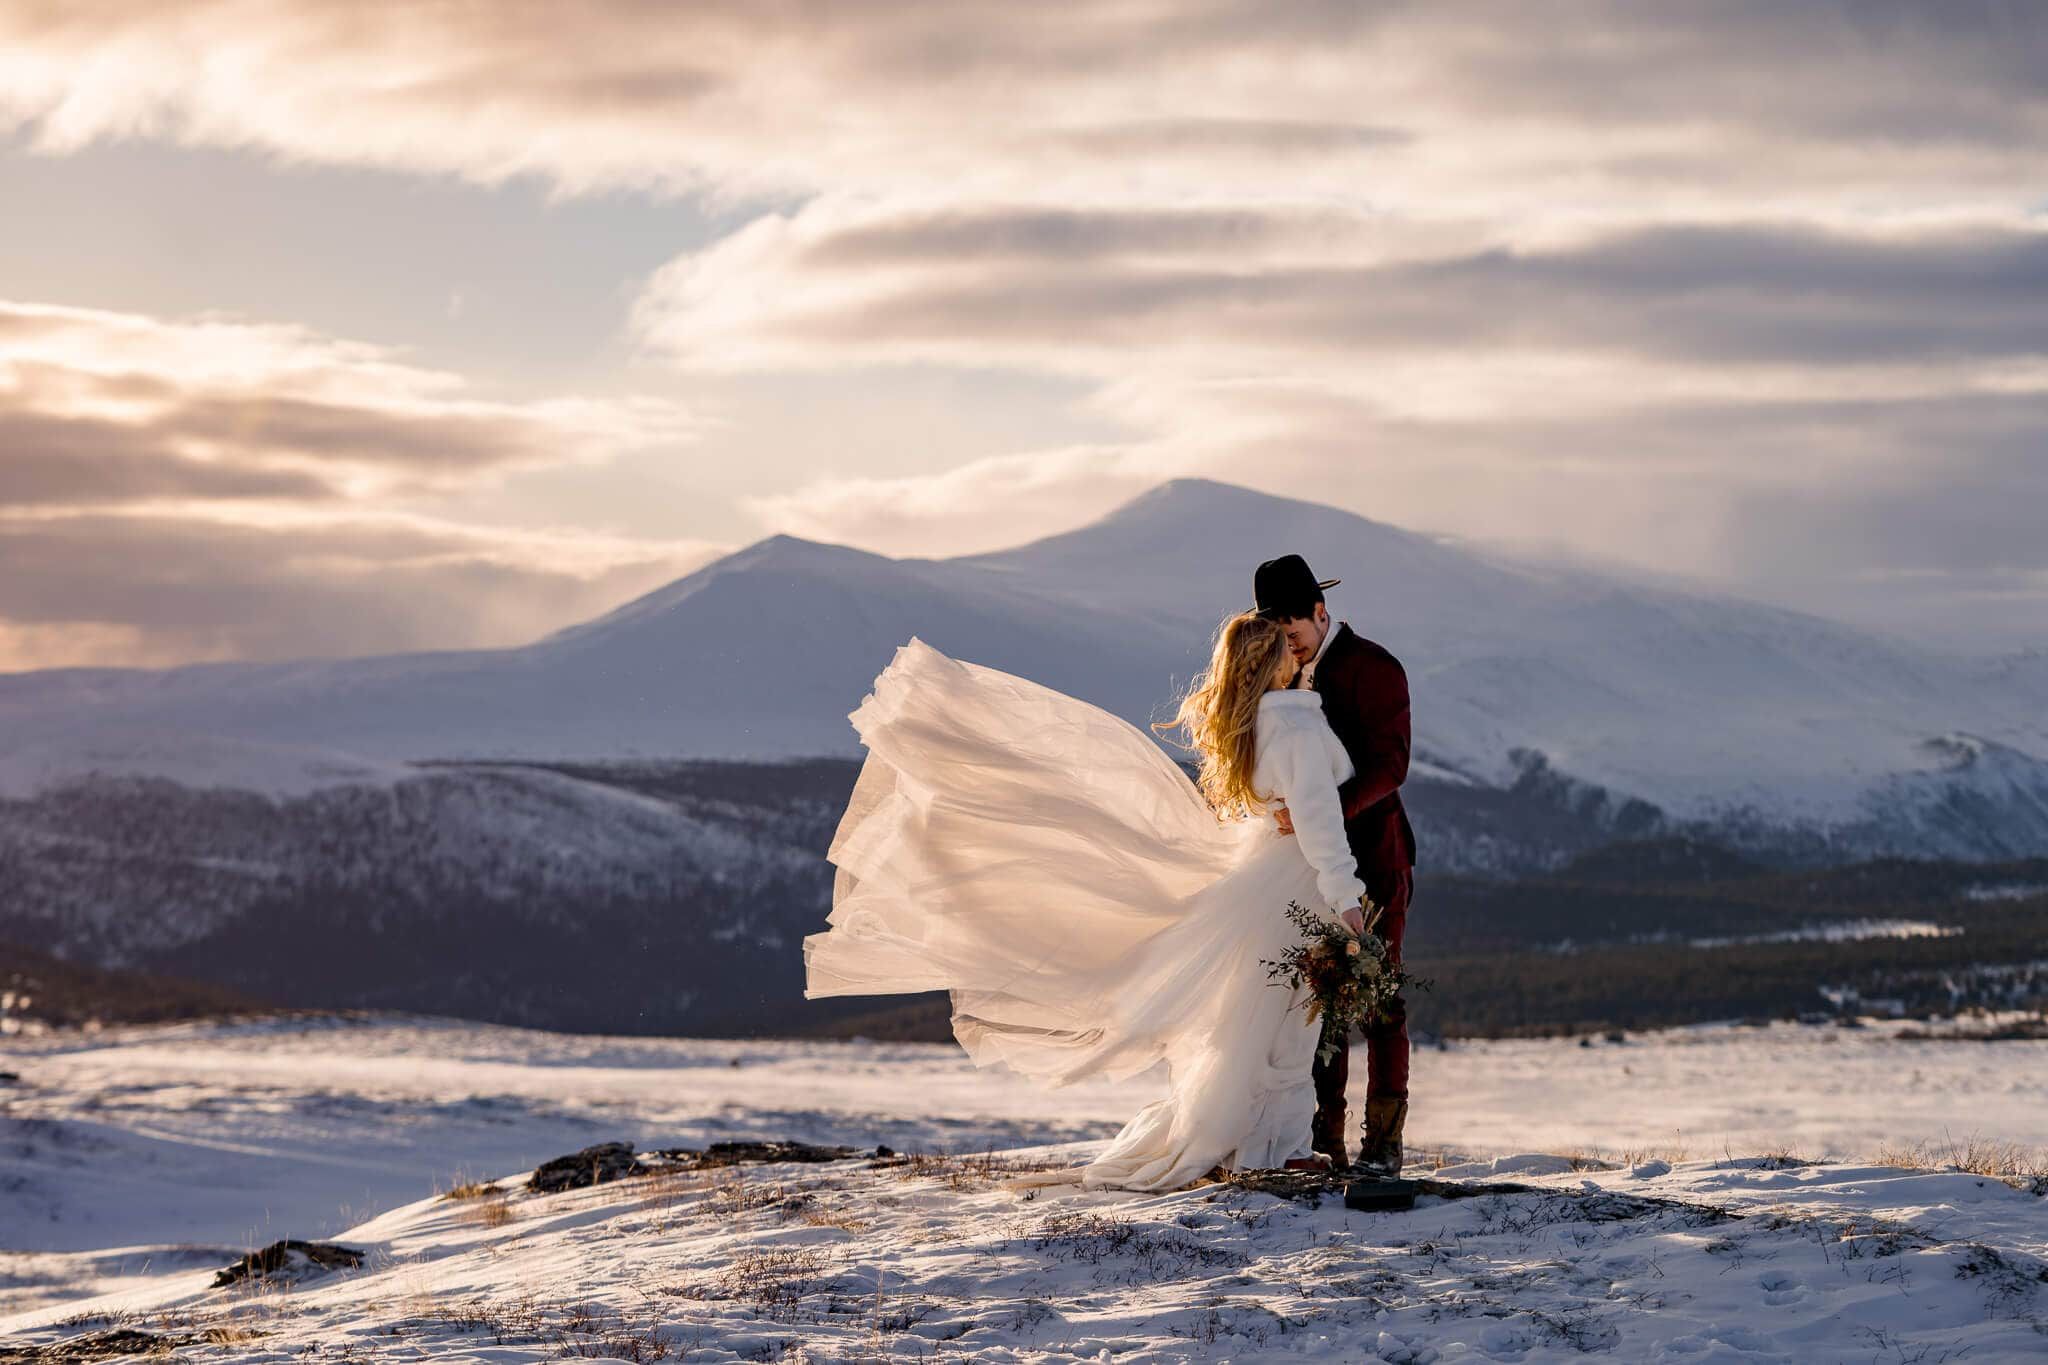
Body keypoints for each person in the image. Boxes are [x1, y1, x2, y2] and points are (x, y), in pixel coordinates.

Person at [802, 611, 1376, 1192]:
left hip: (1263, 880)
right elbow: (1320, 824)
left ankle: (1262, 1142)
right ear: (1273, 659)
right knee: (1288, 1020)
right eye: (1286, 647)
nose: (1296, 654)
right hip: (1294, 884)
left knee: (1258, 1019)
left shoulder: (1251, 727)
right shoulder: (1297, 730)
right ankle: (1275, 1148)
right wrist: (1347, 898)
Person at [1253, 554, 1418, 1175]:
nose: (1289, 650)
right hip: (1306, 867)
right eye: (1279, 641)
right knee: (1319, 1003)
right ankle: (1326, 1138)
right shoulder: (1281, 679)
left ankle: (1384, 1144)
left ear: (1320, 615)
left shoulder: (1374, 668)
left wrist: (1323, 810)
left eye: (1293, 636)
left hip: (1376, 857)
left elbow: (1392, 765)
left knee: (1380, 1000)